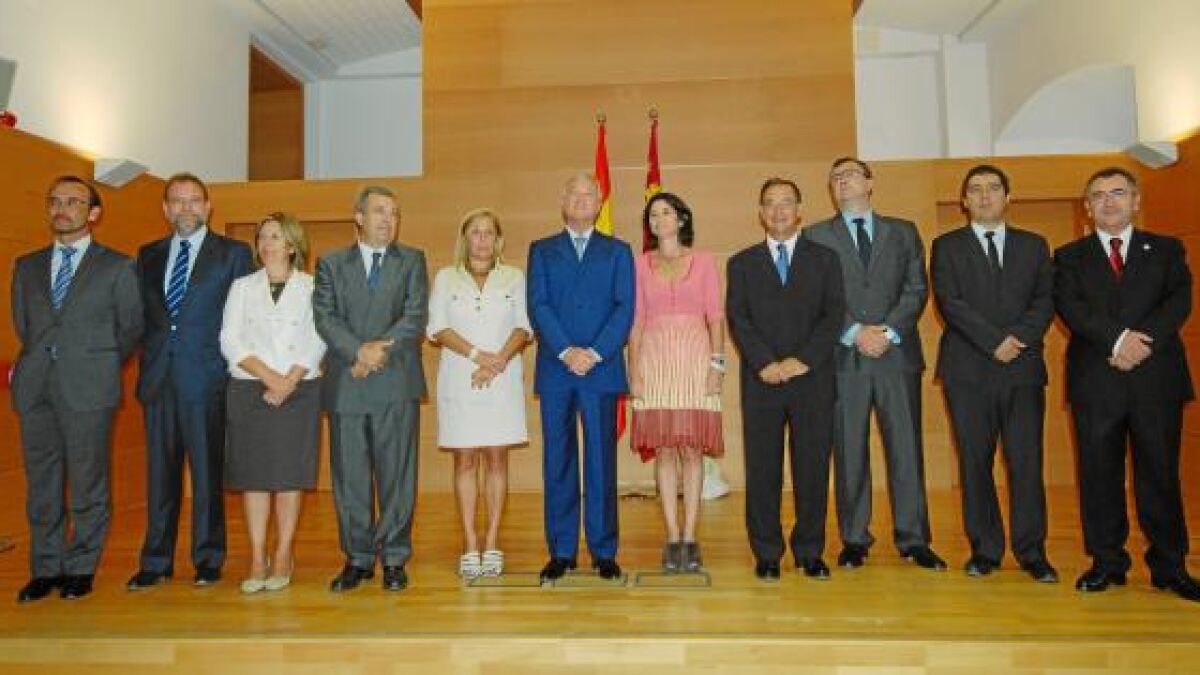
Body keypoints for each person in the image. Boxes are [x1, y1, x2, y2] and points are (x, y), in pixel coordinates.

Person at [1055, 166, 1200, 602]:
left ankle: (1170, 566)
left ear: (1136, 201)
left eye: (1118, 193)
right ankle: (1106, 562)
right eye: (1098, 195)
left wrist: (1140, 343)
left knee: (1160, 473)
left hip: (1156, 378)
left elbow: (1179, 301)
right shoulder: (1069, 256)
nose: (1109, 201)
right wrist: (1118, 340)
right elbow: (1071, 307)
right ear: (1087, 207)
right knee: (1099, 474)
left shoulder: (1167, 249)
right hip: (1097, 379)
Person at [803, 157, 945, 571]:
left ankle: (914, 539)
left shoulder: (903, 232)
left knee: (906, 449)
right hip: (843, 358)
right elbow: (816, 296)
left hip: (896, 356)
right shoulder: (815, 236)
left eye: (850, 175)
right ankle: (854, 538)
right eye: (835, 178)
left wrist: (887, 331)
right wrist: (854, 331)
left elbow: (916, 288)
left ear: (870, 183)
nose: (842, 182)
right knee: (849, 450)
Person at [11, 176, 143, 601]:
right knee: (42, 484)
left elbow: (130, 328)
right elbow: (24, 325)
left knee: (88, 482)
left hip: (89, 387)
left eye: (73, 202)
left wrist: (94, 362)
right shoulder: (27, 266)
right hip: (36, 388)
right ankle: (45, 568)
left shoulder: (117, 266)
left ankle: (81, 567)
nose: (61, 209)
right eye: (55, 201)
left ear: (93, 213)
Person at [931, 165, 1057, 583]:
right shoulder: (946, 246)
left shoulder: (1034, 245)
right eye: (975, 190)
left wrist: (1016, 339)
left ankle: (1032, 552)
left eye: (993, 188)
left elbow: (1045, 299)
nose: (985, 196)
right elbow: (950, 301)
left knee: (1026, 462)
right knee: (975, 462)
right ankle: (985, 550)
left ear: (1008, 197)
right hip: (968, 370)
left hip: (1022, 369)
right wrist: (993, 342)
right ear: (964, 200)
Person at [128, 173, 253, 590]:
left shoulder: (234, 254)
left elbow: (246, 319)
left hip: (207, 380)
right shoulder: (147, 255)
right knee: (159, 476)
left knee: (206, 476)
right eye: (178, 201)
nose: (187, 208)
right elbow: (142, 318)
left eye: (195, 200)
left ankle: (208, 557)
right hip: (159, 379)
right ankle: (155, 561)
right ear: (165, 209)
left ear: (208, 207)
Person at [727, 177, 845, 581]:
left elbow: (834, 316)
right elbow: (739, 319)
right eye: (770, 203)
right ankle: (767, 553)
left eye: (786, 203)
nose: (778, 211)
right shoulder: (742, 263)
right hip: (761, 380)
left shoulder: (826, 259)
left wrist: (802, 361)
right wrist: (765, 363)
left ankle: (810, 551)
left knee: (812, 468)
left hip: (813, 379)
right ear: (761, 213)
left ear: (800, 211)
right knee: (763, 470)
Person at [314, 185, 428, 593]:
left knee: (398, 476)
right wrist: (357, 352)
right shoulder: (330, 263)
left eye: (394, 213)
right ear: (358, 217)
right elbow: (325, 317)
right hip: (348, 382)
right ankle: (358, 559)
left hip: (395, 381)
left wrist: (375, 353)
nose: (388, 220)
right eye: (379, 211)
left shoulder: (412, 260)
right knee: (351, 478)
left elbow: (415, 316)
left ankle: (394, 558)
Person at [527, 172, 635, 582]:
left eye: (589, 194)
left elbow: (625, 308)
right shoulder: (541, 250)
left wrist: (593, 353)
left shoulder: (618, 251)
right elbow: (538, 305)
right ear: (563, 201)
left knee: (601, 461)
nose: (581, 199)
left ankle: (604, 551)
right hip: (557, 369)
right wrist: (567, 351)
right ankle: (561, 550)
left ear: (600, 202)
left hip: (601, 369)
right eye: (574, 193)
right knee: (558, 460)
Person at [219, 213, 326, 594]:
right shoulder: (242, 287)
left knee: (289, 477)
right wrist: (270, 377)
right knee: (255, 478)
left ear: (292, 245)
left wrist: (288, 381)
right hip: (251, 388)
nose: (266, 244)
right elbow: (229, 339)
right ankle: (256, 555)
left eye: (275, 237)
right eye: (262, 237)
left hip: (300, 390)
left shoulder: (313, 287)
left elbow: (319, 338)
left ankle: (283, 553)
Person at [427, 208, 531, 579]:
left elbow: (523, 327)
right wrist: (478, 356)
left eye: (489, 233)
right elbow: (437, 328)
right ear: (465, 238)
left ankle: (492, 541)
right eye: (476, 232)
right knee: (465, 461)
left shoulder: (514, 277)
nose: (483, 239)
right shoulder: (446, 277)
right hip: (461, 380)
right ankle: (470, 543)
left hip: (502, 379)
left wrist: (496, 361)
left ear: (498, 240)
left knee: (498, 460)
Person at [628, 192, 725, 573]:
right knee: (665, 450)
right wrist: (633, 369)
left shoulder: (704, 262)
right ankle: (671, 537)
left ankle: (690, 536)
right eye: (652, 215)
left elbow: (715, 317)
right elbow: (636, 320)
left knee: (692, 451)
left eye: (666, 212)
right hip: (654, 360)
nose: (658, 219)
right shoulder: (639, 264)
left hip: (695, 360)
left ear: (682, 219)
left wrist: (717, 366)